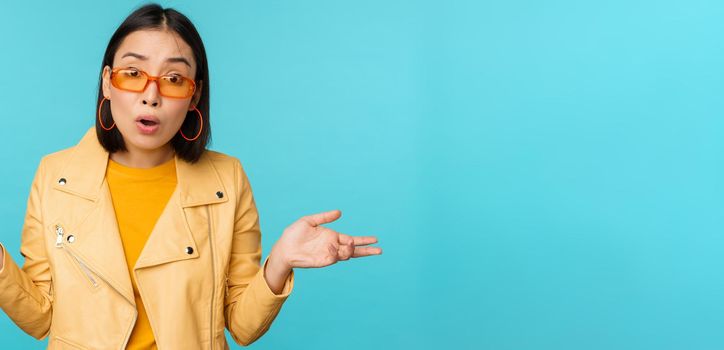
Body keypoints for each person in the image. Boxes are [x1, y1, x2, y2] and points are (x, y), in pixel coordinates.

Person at [0, 3, 382, 349]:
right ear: (106, 82)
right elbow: (41, 318)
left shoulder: (227, 179)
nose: (151, 95)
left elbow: (243, 327)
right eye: (133, 73)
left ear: (194, 95)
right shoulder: (55, 176)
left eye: (173, 79)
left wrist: (280, 261)